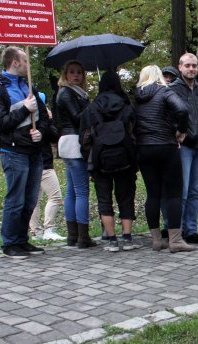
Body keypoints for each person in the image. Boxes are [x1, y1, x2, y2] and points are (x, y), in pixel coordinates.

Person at [0, 46, 49, 258]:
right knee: (16, 199)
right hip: (13, 153)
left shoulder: (29, 86)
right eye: (25, 61)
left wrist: (41, 133)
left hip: (34, 151)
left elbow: (45, 120)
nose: (28, 65)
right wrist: (24, 108)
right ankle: (10, 243)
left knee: (30, 200)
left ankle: (22, 240)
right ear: (15, 63)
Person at [134, 65, 193, 252]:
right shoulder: (164, 92)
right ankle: (175, 240)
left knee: (153, 194)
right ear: (159, 76)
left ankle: (157, 240)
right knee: (174, 193)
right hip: (166, 147)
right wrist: (181, 131)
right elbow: (183, 110)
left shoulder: (137, 97)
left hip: (144, 149)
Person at [80, 71, 138, 252]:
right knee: (126, 197)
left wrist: (89, 160)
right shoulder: (127, 107)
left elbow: (84, 138)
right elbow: (135, 133)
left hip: (100, 159)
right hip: (125, 158)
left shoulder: (91, 108)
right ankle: (127, 238)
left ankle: (112, 240)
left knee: (104, 200)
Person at [170, 53, 198, 245]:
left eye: (194, 65)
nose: (191, 69)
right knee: (183, 191)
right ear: (180, 67)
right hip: (184, 146)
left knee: (195, 191)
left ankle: (191, 229)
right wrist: (177, 131)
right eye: (187, 65)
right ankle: (176, 231)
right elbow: (168, 115)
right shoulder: (172, 90)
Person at [56, 60, 96, 248]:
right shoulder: (67, 93)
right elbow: (77, 118)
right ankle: (82, 236)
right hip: (73, 142)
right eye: (72, 72)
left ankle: (73, 235)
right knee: (81, 191)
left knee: (72, 190)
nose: (76, 75)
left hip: (69, 141)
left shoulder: (77, 93)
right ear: (65, 75)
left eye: (79, 72)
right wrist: (93, 108)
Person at [29, 93, 65, 241]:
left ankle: (35, 231)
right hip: (44, 162)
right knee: (55, 196)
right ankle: (48, 229)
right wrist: (50, 121)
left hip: (31, 161)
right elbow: (54, 135)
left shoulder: (28, 121)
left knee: (35, 200)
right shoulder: (41, 121)